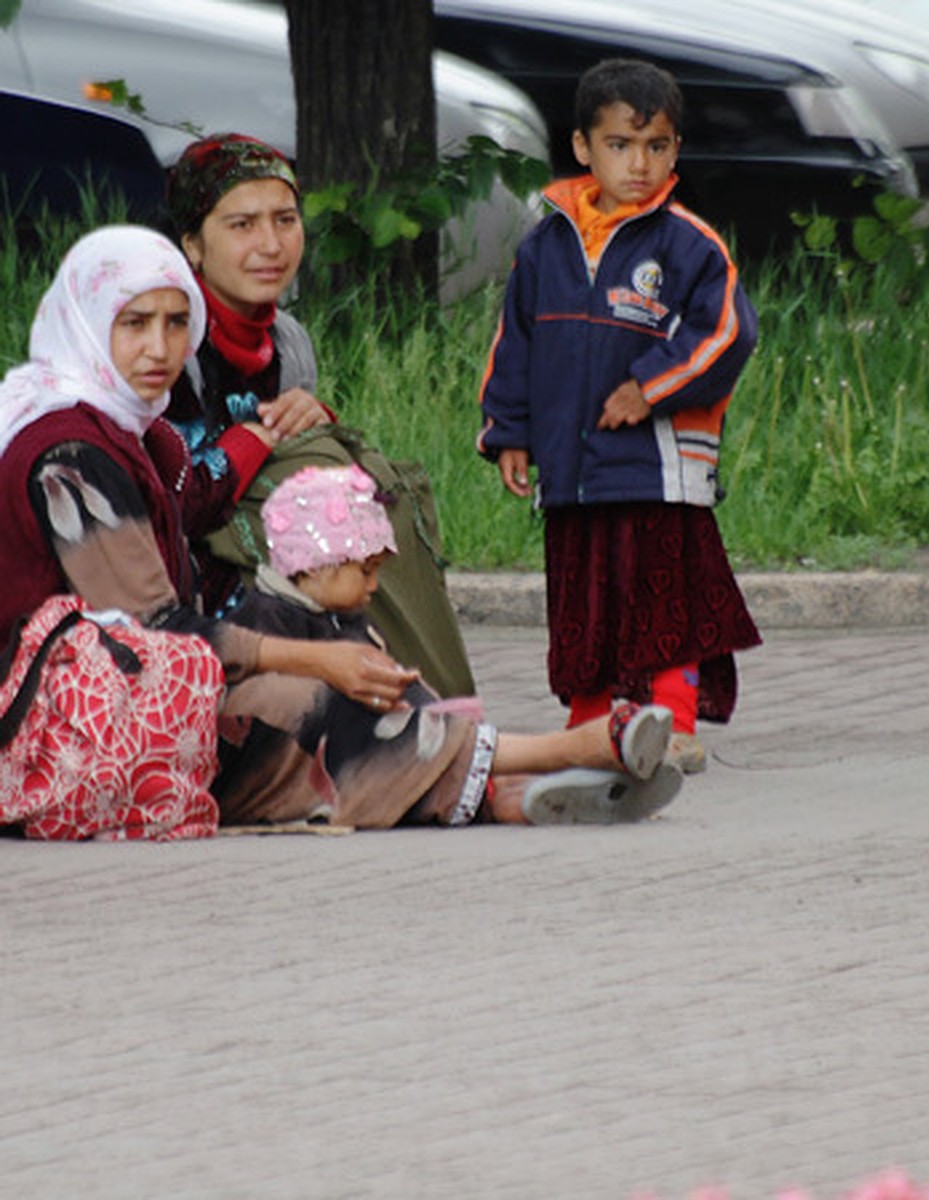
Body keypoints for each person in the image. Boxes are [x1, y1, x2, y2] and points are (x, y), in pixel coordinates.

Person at [0, 224, 684, 832]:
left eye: (177, 323)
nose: (159, 347)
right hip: (58, 722)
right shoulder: (69, 455)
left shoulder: (131, 429)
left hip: (143, 680)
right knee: (306, 701)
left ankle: (496, 794)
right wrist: (309, 656)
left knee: (342, 658)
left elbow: (194, 516)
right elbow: (153, 627)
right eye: (133, 323)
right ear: (87, 322)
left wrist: (314, 636)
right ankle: (570, 750)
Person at [476, 57, 762, 775]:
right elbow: (515, 345)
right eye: (620, 145)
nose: (639, 164)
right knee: (585, 597)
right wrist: (508, 433)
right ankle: (592, 726)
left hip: (658, 466)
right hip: (570, 465)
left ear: (675, 151)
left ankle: (676, 721)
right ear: (582, 148)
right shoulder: (544, 246)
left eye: (657, 146)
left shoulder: (689, 245)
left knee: (661, 595)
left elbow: (727, 332)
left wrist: (650, 386)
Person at [162, 132, 475, 700]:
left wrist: (314, 414)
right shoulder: (171, 340)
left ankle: (445, 719)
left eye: (285, 219)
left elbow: (301, 460)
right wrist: (255, 438)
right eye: (242, 225)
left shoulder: (288, 339)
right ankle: (431, 726)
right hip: (195, 586)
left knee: (376, 498)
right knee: (340, 520)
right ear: (192, 245)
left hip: (279, 557)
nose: (271, 244)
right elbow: (172, 502)